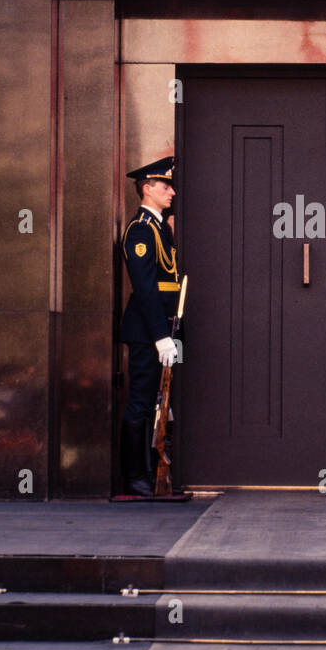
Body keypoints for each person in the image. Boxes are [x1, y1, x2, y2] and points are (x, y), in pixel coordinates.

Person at [117, 156, 181, 497]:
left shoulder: (159, 227)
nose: (171, 192)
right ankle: (136, 477)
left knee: (163, 402)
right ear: (147, 189)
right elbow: (145, 288)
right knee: (141, 401)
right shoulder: (140, 229)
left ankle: (159, 470)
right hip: (148, 332)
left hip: (165, 331)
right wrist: (160, 337)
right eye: (165, 186)